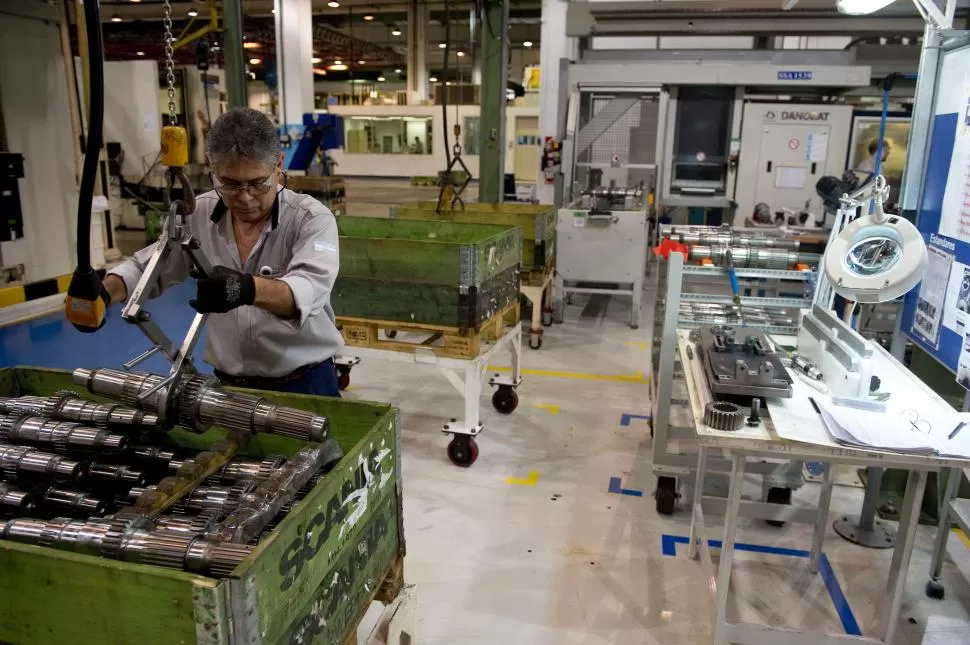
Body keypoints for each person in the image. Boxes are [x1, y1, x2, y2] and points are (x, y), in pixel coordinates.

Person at [103, 107, 343, 397]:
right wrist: (104, 293)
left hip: (304, 384)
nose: (244, 197)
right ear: (210, 166)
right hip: (227, 386)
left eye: (257, 183)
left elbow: (309, 288)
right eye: (229, 184)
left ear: (279, 165)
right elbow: (149, 267)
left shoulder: (310, 219)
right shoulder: (198, 213)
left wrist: (246, 288)